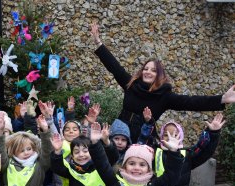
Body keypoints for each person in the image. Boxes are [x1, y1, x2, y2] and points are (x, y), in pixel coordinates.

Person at [90, 23, 235, 143]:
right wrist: (98, 42)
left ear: (158, 75)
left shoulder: (164, 96)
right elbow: (114, 67)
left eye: (153, 70)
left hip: (143, 139)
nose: (147, 72)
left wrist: (222, 99)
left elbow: (191, 102)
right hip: (119, 135)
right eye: (145, 69)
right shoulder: (131, 85)